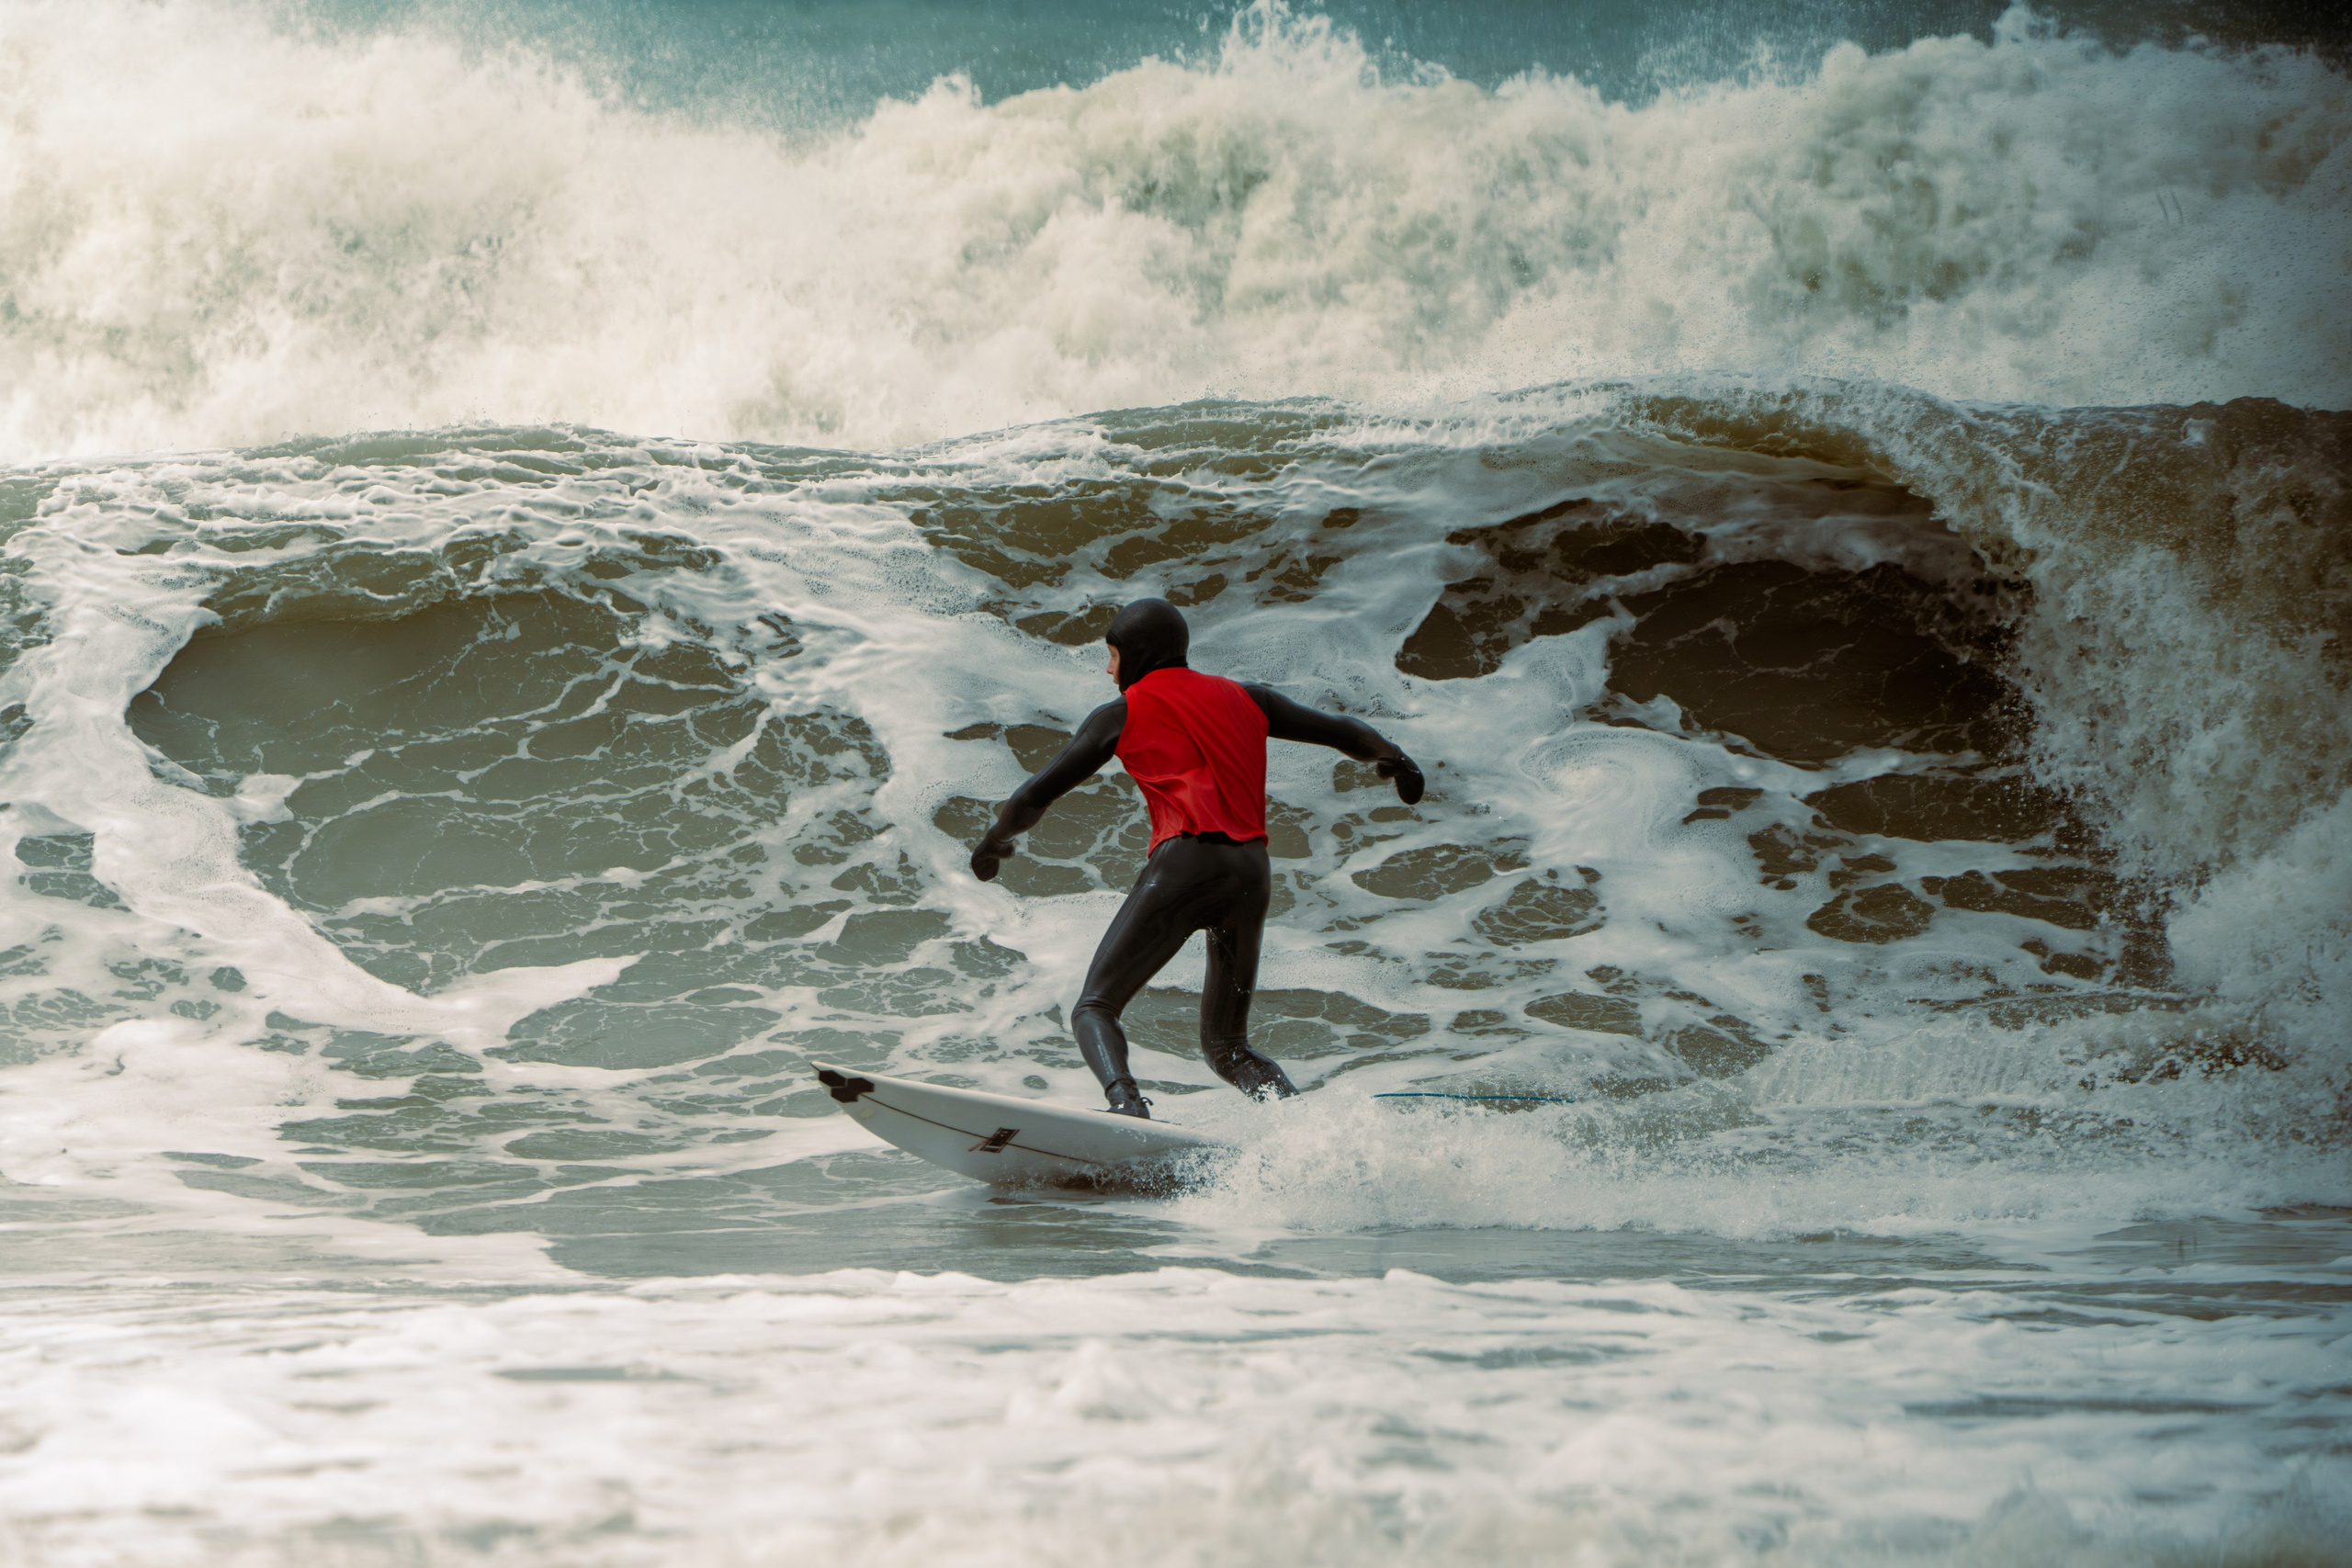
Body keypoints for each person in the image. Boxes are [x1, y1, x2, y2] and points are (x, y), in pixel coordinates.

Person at [968, 599, 1425, 1118]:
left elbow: (1035, 795)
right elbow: (1344, 731)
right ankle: (1308, 1133)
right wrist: (1396, 760)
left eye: (1112, 655)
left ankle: (1126, 1106)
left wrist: (996, 843)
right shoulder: (1249, 698)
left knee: (1095, 1006)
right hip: (1251, 872)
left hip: (1186, 860)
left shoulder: (1123, 712)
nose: (1108, 668)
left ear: (1135, 654)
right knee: (1228, 1047)